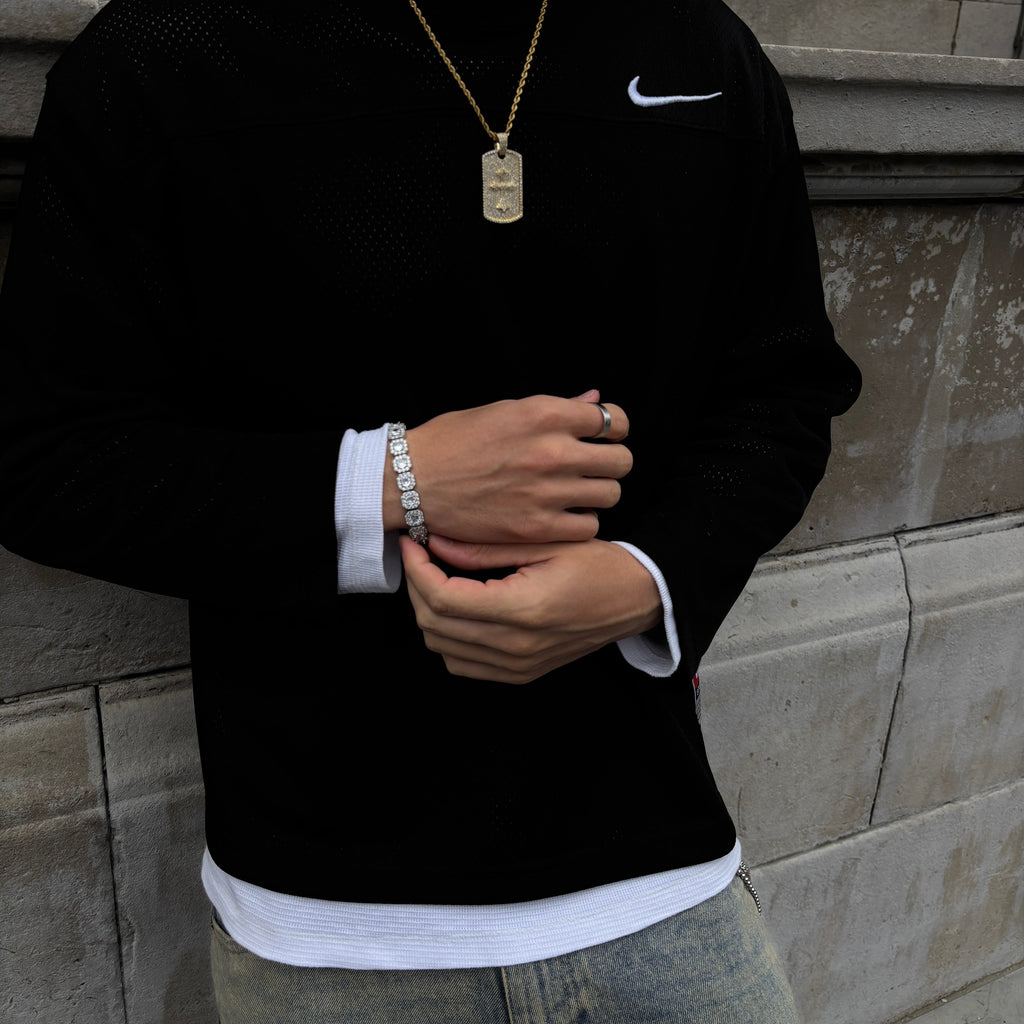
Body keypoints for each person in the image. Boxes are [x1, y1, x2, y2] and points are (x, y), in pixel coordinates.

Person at [0, 0, 861, 1020]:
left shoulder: (697, 47)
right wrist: (392, 482)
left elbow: (783, 388)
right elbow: (43, 458)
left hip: (665, 877)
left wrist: (648, 578)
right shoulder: (166, 52)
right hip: (328, 921)